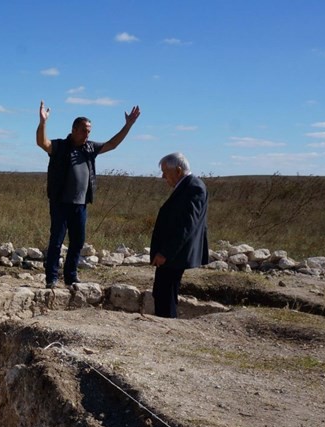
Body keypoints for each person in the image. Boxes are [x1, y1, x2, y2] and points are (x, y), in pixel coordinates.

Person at [36, 101, 141, 288]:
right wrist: (43, 122)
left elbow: (112, 144)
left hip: (81, 204)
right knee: (56, 241)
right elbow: (42, 143)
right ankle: (51, 278)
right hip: (61, 203)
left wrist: (128, 125)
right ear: (74, 129)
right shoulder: (60, 146)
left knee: (77, 242)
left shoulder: (90, 148)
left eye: (89, 131)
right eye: (84, 130)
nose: (88, 134)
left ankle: (70, 276)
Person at [150, 152, 209, 318]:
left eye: (165, 172)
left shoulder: (194, 187)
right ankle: (164, 322)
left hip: (175, 254)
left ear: (177, 170)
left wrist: (165, 252)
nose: (163, 177)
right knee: (161, 292)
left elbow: (186, 226)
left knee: (166, 293)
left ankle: (167, 325)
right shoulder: (186, 186)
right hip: (172, 253)